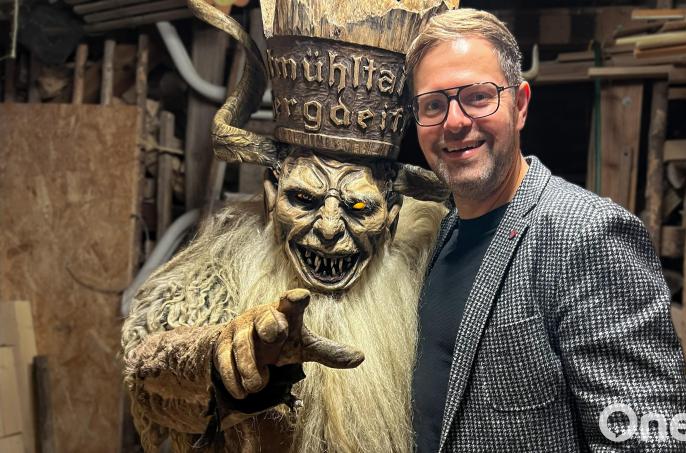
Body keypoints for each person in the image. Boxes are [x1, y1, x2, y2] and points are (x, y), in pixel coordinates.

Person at [121, 0, 457, 451]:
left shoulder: (433, 265)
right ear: (269, 197)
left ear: (392, 217)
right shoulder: (221, 266)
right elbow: (148, 375)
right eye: (304, 199)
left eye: (359, 207)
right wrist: (221, 358)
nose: (330, 228)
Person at [406, 8, 686, 452]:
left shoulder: (588, 235)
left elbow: (652, 442)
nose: (455, 121)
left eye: (479, 97)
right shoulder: (438, 237)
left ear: (520, 105)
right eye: (434, 104)